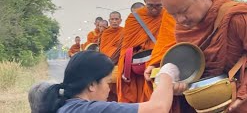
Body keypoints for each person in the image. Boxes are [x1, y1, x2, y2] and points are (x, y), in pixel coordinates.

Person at [143, 0, 213, 109]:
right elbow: (166, 42)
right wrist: (155, 63)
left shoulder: (219, 8)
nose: (181, 19)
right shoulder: (173, 10)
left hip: (209, 80)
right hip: (182, 73)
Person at [29, 51, 180, 113]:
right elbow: (158, 108)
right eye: (108, 82)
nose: (110, 89)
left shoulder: (66, 105)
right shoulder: (89, 109)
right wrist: (167, 72)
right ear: (91, 85)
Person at [117, 0, 164, 103]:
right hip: (140, 66)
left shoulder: (168, 15)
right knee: (140, 99)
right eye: (150, 5)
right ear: (145, 2)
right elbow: (126, 46)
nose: (154, 9)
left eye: (158, 5)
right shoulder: (134, 18)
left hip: (161, 63)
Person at [100, 11, 124, 102]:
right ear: (109, 20)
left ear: (120, 20)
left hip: (120, 65)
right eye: (112, 19)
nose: (114, 21)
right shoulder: (106, 34)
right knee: (106, 92)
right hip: (106, 66)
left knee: (120, 92)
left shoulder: (124, 32)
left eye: (116, 19)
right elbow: (103, 50)